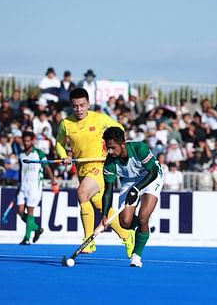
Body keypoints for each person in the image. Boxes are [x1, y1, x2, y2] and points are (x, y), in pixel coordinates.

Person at [55, 88, 134, 256]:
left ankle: (88, 242)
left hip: (100, 166)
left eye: (82, 105)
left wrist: (112, 149)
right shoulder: (65, 124)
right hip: (82, 169)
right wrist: (64, 156)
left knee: (82, 193)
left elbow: (119, 129)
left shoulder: (99, 119)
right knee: (101, 207)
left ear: (88, 104)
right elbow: (59, 143)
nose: (79, 110)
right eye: (75, 106)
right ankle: (127, 236)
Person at [101, 127, 164, 267]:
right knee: (125, 222)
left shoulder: (139, 148)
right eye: (107, 148)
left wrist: (137, 188)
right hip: (129, 181)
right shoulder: (109, 163)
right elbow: (108, 190)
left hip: (150, 177)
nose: (110, 152)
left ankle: (136, 256)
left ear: (122, 144)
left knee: (143, 217)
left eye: (112, 148)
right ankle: (143, 226)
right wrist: (105, 215)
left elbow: (153, 172)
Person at [17, 131, 59, 245]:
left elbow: (47, 168)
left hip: (34, 187)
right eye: (24, 141)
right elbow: (21, 170)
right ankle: (36, 229)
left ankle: (26, 238)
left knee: (30, 211)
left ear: (32, 141)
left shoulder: (39, 154)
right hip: (23, 186)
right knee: (20, 212)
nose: (26, 143)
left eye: (28, 141)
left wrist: (53, 181)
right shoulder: (21, 155)